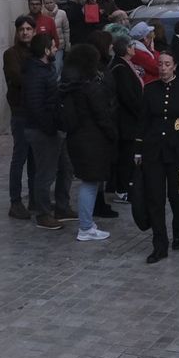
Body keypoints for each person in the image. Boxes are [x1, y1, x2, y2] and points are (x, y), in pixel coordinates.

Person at [135, 51, 179, 263]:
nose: (163, 68)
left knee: (178, 196)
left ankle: (178, 233)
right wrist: (138, 149)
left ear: (175, 66)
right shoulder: (150, 89)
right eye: (160, 64)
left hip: (178, 152)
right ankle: (159, 244)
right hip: (154, 151)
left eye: (167, 64)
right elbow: (143, 121)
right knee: (155, 198)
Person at [59, 43, 115, 242]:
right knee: (90, 183)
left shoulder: (69, 85)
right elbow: (102, 115)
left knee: (88, 181)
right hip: (91, 140)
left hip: (77, 138)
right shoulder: (89, 87)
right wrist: (112, 134)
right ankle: (85, 227)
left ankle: (87, 223)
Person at [19, 34, 71, 229]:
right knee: (46, 173)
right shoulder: (35, 73)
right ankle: (43, 213)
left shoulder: (45, 69)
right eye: (53, 46)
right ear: (45, 50)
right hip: (43, 130)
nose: (56, 49)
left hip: (54, 128)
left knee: (66, 168)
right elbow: (36, 106)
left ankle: (62, 207)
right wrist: (50, 128)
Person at [3, 15, 38, 220]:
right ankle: (15, 201)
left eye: (28, 29)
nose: (25, 32)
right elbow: (17, 78)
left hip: (35, 112)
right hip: (21, 111)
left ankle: (34, 197)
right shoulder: (12, 54)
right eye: (21, 29)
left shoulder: (36, 52)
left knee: (35, 157)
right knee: (20, 157)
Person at [106, 33, 145, 203]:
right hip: (125, 119)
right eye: (131, 46)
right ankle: (122, 188)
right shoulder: (120, 67)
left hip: (129, 117)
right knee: (125, 155)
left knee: (128, 153)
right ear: (125, 49)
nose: (134, 48)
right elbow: (127, 96)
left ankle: (124, 185)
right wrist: (140, 112)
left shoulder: (126, 64)